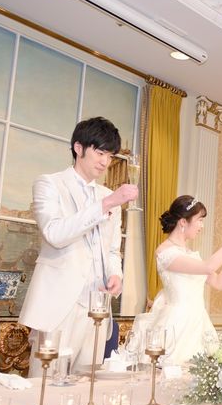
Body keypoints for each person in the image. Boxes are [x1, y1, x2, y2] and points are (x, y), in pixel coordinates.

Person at [19, 117, 138, 376]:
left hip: (97, 307)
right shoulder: (49, 184)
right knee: (45, 385)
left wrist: (116, 275)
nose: (105, 161)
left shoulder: (108, 196)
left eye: (110, 155)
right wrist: (106, 205)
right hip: (58, 306)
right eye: (100, 152)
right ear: (78, 147)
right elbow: (54, 233)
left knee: (86, 388)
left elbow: (112, 250)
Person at [132, 195, 222, 364]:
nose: (201, 226)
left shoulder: (191, 255)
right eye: (199, 220)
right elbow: (208, 267)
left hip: (198, 322)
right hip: (177, 325)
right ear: (183, 222)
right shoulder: (166, 252)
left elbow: (219, 284)